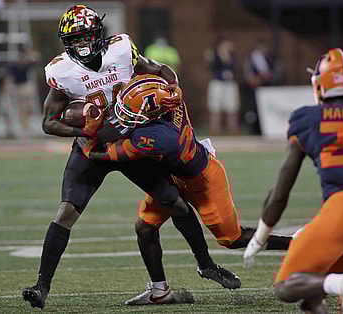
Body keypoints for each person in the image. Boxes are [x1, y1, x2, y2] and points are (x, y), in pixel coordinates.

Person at [22, 5, 239, 309]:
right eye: (74, 41)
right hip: (92, 149)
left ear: (98, 35)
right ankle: (41, 286)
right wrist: (85, 126)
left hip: (130, 143)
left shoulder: (121, 51)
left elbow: (162, 71)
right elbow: (48, 122)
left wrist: (174, 87)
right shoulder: (62, 71)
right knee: (66, 212)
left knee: (174, 201)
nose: (81, 46)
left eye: (85, 38)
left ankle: (206, 265)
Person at [82, 74, 293, 304]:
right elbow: (169, 82)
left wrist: (88, 138)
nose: (124, 116)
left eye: (132, 112)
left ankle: (296, 243)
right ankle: (160, 291)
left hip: (203, 180)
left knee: (232, 239)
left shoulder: (153, 137)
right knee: (145, 228)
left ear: (152, 113)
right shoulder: (173, 100)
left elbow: (105, 155)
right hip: (174, 174)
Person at [243, 48, 343, 314]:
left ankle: (342, 283)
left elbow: (280, 193)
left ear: (322, 83)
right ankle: (340, 283)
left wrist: (260, 237)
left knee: (287, 284)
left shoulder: (308, 118)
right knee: (312, 294)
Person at [242, 41, 283, 135]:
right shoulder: (251, 60)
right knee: (253, 110)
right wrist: (256, 79)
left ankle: (262, 129)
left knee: (266, 110)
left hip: (267, 89)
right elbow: (249, 76)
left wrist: (269, 78)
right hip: (255, 89)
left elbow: (275, 73)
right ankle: (253, 129)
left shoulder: (270, 59)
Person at [205, 37, 240, 135]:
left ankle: (233, 129)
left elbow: (235, 67)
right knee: (215, 107)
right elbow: (211, 67)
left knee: (232, 107)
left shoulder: (232, 56)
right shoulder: (213, 54)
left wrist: (226, 56)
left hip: (230, 83)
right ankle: (214, 129)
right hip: (217, 82)